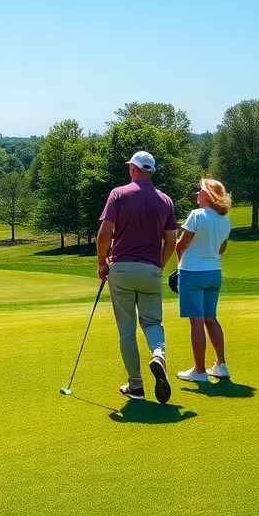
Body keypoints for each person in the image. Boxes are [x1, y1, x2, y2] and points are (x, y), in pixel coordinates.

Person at [97, 151, 177, 404]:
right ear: (151, 171)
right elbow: (171, 241)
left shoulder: (118, 194)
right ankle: (158, 355)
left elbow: (105, 232)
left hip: (122, 268)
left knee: (127, 330)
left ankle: (136, 386)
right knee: (152, 323)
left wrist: (101, 261)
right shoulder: (166, 201)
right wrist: (159, 265)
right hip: (151, 270)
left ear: (133, 169)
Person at [173, 178, 233, 382]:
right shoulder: (225, 220)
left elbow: (180, 244)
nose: (197, 194)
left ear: (209, 195)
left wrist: (180, 266)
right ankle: (220, 365)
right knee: (210, 318)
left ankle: (199, 372)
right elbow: (221, 249)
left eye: (200, 191)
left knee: (196, 322)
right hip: (214, 273)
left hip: (192, 273)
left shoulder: (196, 215)